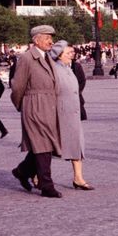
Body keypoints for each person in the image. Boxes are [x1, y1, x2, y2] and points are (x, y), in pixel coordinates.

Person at [10, 25, 63, 198]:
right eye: (47, 38)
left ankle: (22, 171)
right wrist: (23, 105)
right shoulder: (27, 58)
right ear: (37, 39)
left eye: (51, 38)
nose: (51, 41)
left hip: (48, 106)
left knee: (42, 145)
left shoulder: (47, 57)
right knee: (43, 145)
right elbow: (17, 86)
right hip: (35, 106)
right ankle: (46, 185)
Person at [51, 40, 93, 190]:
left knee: (77, 144)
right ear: (60, 55)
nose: (72, 55)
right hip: (61, 113)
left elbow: (79, 84)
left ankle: (78, 177)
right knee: (52, 147)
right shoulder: (54, 70)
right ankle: (36, 173)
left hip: (73, 112)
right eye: (69, 53)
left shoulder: (69, 68)